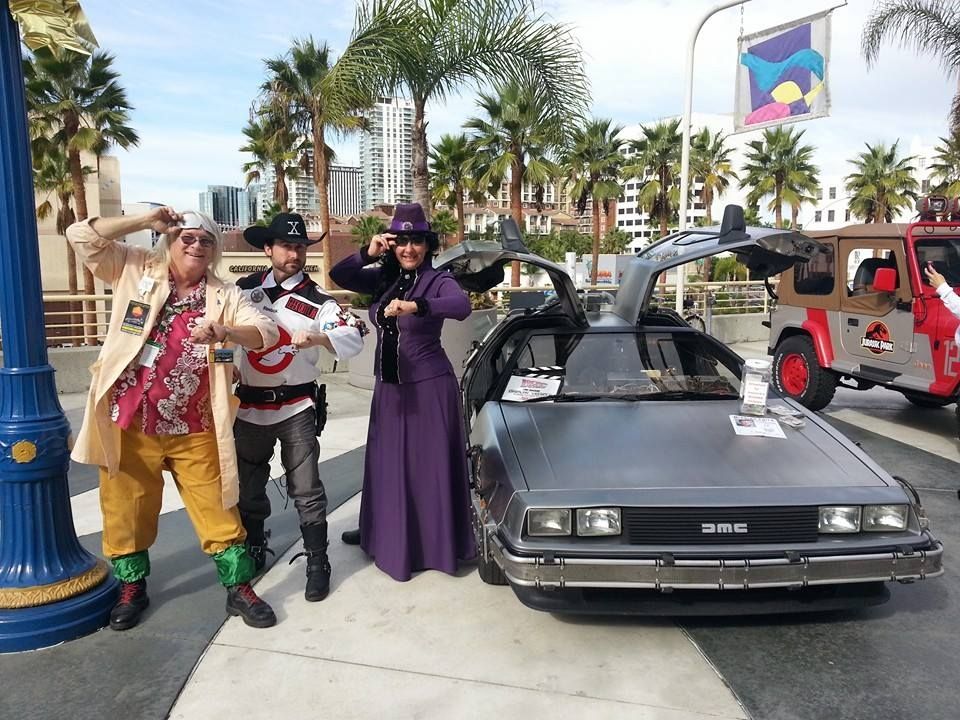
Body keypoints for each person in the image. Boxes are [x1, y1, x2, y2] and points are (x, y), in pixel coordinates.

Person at [66, 207, 280, 631]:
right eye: (186, 237)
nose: (195, 245)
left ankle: (238, 588)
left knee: (218, 508)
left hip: (194, 425)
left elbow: (266, 332)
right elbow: (80, 236)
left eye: (205, 240)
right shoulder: (135, 267)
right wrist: (146, 220)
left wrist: (226, 333)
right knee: (126, 509)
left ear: (215, 250)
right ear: (170, 240)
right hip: (130, 421)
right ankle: (132, 587)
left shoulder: (226, 295)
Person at [330, 203, 476, 581]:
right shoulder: (384, 279)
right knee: (388, 464)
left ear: (427, 245)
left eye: (416, 241)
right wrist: (369, 252)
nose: (408, 249)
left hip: (429, 388)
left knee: (428, 469)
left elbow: (461, 305)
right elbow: (338, 273)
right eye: (401, 241)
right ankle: (384, 532)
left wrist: (417, 306)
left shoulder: (437, 279)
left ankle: (433, 543)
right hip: (390, 388)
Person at [234, 213, 366, 601]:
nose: (294, 254)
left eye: (299, 247)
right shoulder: (242, 291)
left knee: (307, 490)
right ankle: (254, 546)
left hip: (295, 407)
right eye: (286, 246)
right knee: (248, 486)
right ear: (268, 249)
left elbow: (354, 333)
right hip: (248, 407)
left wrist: (321, 340)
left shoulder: (318, 300)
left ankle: (316, 561)